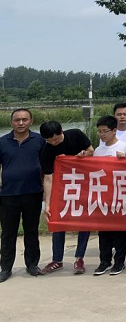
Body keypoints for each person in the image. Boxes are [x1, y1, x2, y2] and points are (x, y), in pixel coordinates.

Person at [39, 121, 93, 276]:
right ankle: (57, 259)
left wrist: (81, 155)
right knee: (57, 220)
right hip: (62, 189)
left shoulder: (75, 135)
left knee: (84, 220)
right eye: (49, 140)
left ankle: (79, 258)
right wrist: (47, 204)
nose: (53, 143)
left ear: (61, 131)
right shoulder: (46, 150)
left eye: (55, 139)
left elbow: (91, 151)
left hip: (83, 185)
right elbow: (48, 178)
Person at [0, 109, 45, 283]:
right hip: (8, 194)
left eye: (24, 119)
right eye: (17, 120)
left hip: (33, 193)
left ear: (31, 121)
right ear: (11, 122)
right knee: (8, 233)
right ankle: (6, 268)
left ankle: (32, 264)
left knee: (31, 231)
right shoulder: (3, 142)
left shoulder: (39, 141)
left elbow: (47, 166)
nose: (21, 123)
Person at [92, 116, 126, 276]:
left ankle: (119, 262)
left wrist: (125, 161)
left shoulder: (125, 147)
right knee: (104, 232)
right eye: (100, 131)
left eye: (105, 131)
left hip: (120, 195)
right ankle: (104, 261)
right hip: (103, 195)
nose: (102, 134)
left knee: (120, 231)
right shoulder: (98, 150)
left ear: (114, 130)